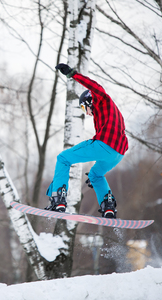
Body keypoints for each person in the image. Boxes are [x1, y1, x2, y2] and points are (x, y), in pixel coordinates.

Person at [44, 63, 128, 218]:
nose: (87, 113)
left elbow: (94, 86)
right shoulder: (111, 111)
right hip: (118, 153)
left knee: (63, 158)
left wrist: (72, 74)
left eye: (84, 108)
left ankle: (59, 199)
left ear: (89, 101)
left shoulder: (102, 99)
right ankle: (108, 205)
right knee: (95, 175)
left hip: (104, 144)